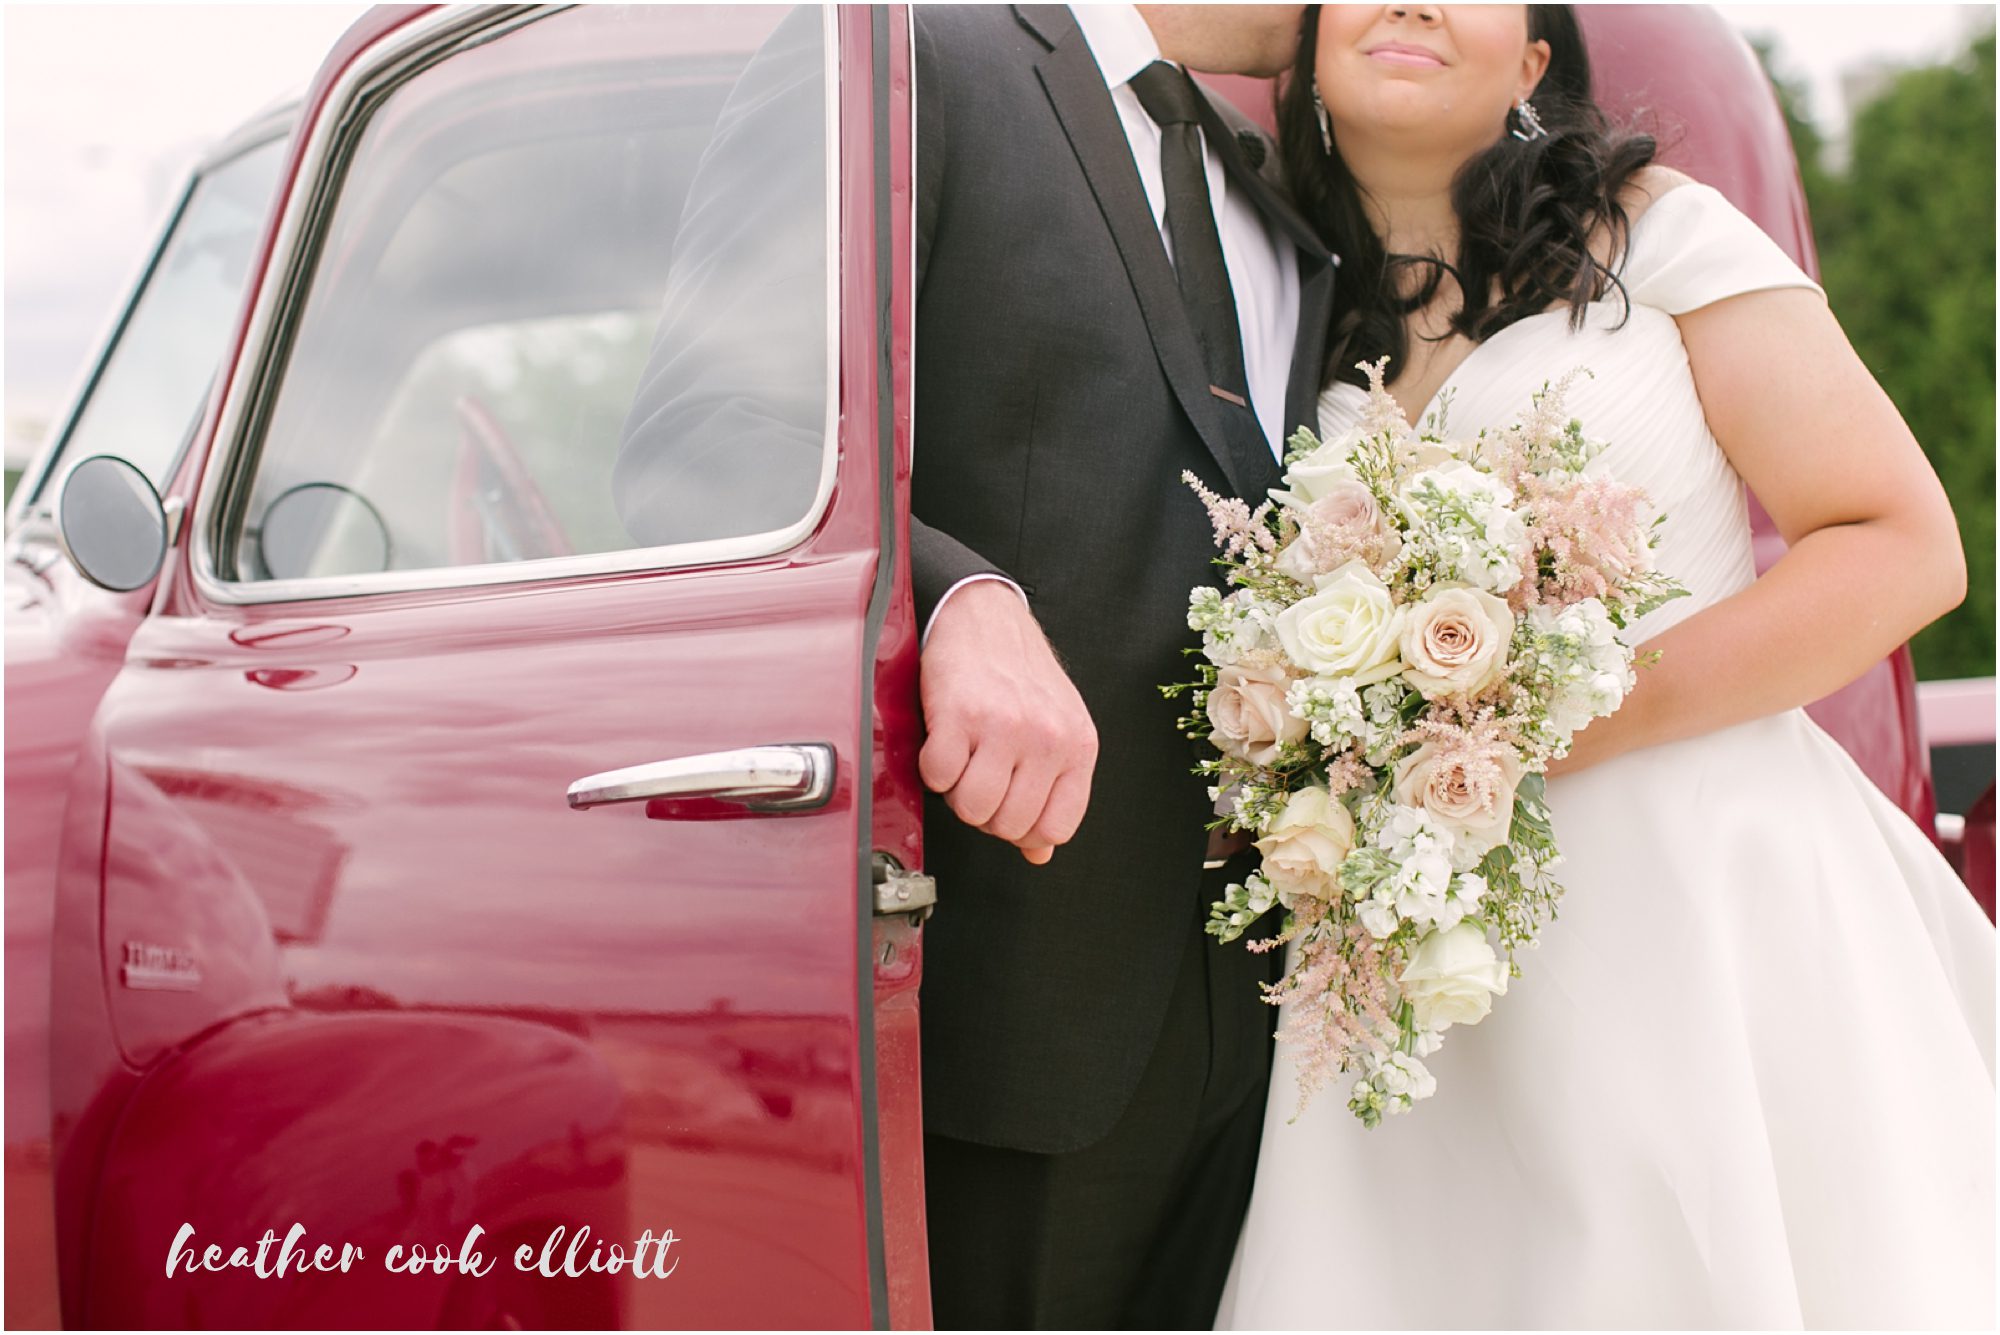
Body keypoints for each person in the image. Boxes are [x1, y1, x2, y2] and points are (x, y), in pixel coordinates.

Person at [1214, 5, 1995, 1328]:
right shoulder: (1259, 288)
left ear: (1531, 63)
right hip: (1419, 970)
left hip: (1706, 913)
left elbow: (1904, 548)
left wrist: (1561, 720)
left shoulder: (1656, 234)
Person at [616, 4, 1337, 1326]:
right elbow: (708, 443)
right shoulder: (906, 49)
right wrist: (959, 600)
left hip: (1267, 1028)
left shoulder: (1258, 167)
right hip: (1020, 1002)